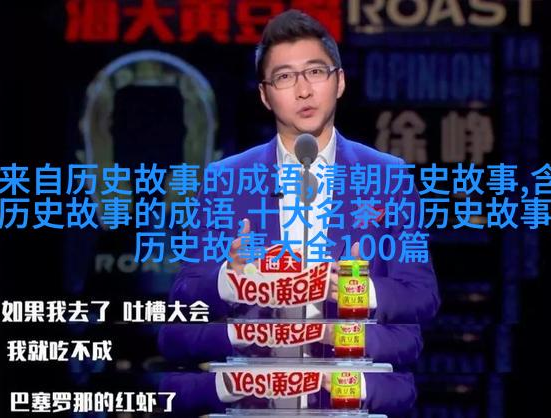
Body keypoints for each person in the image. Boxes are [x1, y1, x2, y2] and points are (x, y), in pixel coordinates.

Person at [159, 9, 440, 416]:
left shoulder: (388, 177)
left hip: (351, 398)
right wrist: (230, 279)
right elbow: (184, 297)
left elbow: (421, 296)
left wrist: (351, 290)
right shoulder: (226, 179)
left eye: (315, 72)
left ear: (339, 81)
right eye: (285, 77)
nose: (304, 90)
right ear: (265, 95)